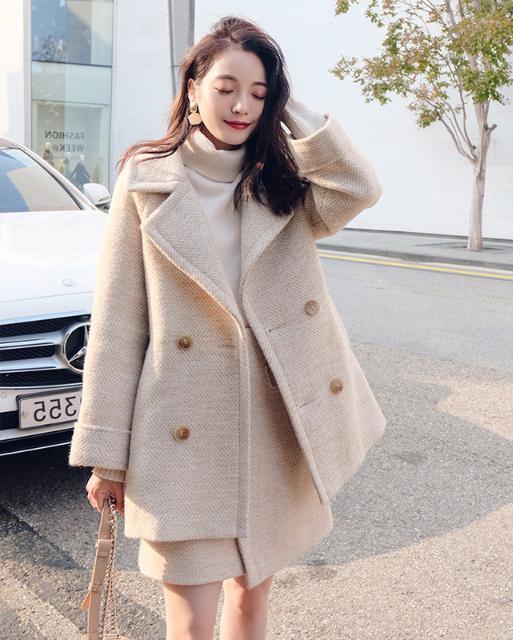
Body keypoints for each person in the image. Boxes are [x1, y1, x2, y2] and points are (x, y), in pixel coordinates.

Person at [69, 14, 386, 640]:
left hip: (269, 423)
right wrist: (106, 455)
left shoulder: (280, 182)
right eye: (226, 87)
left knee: (250, 601)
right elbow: (117, 322)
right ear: (192, 88)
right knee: (190, 623)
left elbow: (358, 187)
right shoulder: (146, 179)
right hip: (181, 433)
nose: (242, 106)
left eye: (259, 93)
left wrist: (289, 108)